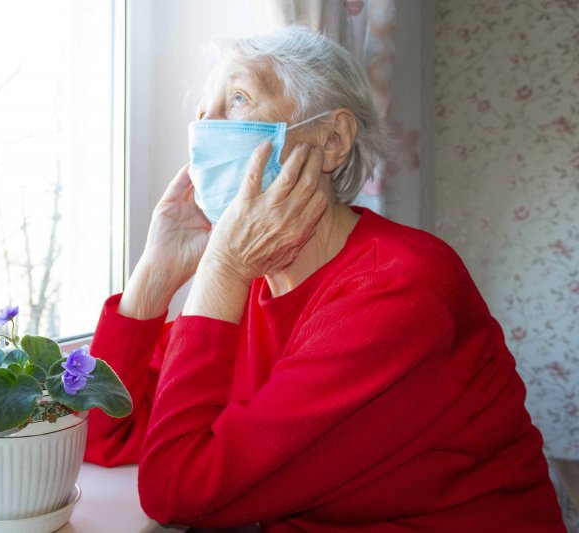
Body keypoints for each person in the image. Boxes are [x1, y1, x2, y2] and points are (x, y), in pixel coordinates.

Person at [84, 27, 565, 532]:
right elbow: (102, 433)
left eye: (239, 99)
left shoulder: (399, 289)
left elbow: (178, 491)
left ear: (332, 140)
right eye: (203, 113)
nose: (205, 131)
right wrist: (154, 278)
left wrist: (221, 268)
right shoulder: (249, 282)